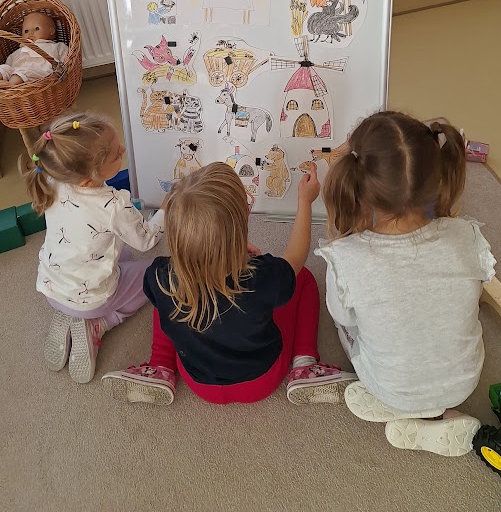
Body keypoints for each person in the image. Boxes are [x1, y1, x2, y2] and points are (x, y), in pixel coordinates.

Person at [316, 111, 495, 457]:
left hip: (389, 384)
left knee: (346, 323)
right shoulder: (466, 235)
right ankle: (436, 411)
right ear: (436, 178)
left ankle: (396, 402)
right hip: (463, 382)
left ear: (359, 189)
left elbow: (344, 317)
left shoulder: (345, 257)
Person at [102, 162, 354, 405]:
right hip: (262, 380)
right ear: (240, 224)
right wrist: (305, 202)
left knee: (166, 293)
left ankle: (160, 366)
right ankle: (305, 364)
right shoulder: (264, 277)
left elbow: (180, 273)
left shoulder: (159, 274)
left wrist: (227, 249)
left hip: (198, 382)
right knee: (304, 278)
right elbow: (296, 257)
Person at [22, 112, 165, 383]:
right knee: (158, 273)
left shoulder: (53, 180)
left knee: (115, 250)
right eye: (115, 154)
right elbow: (147, 240)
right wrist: (165, 211)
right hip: (94, 301)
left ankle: (71, 313)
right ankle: (100, 324)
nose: (122, 149)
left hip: (52, 288)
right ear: (88, 180)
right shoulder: (114, 205)